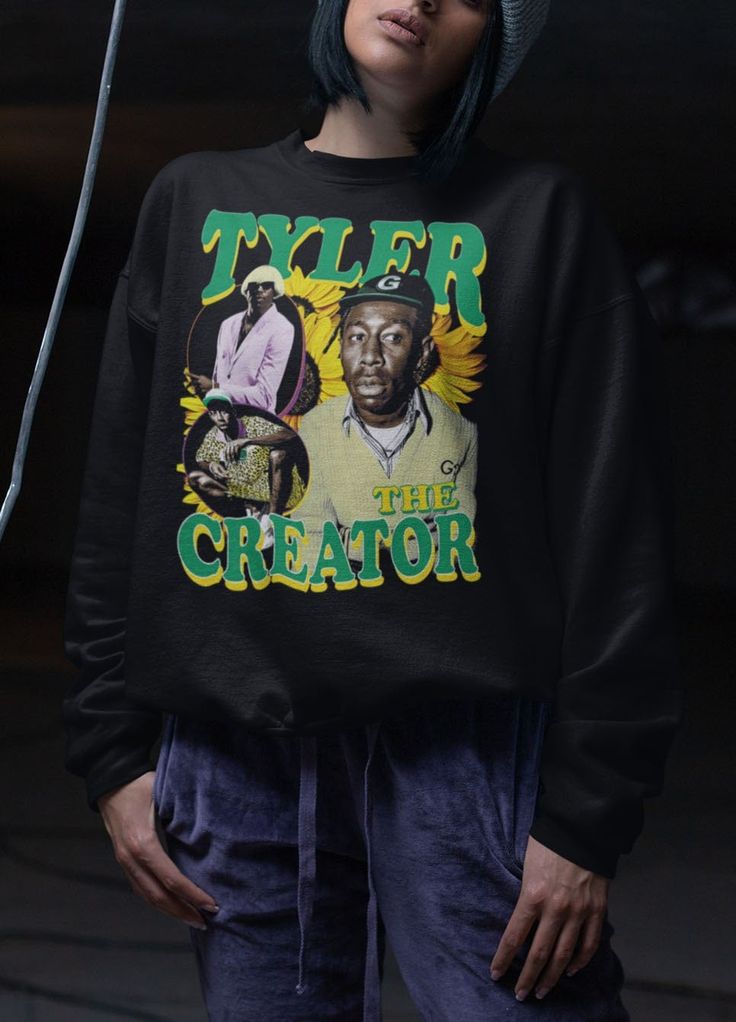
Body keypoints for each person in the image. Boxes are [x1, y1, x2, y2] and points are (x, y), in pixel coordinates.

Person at [61, 0, 684, 1019]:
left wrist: (586, 815)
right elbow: (118, 498)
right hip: (235, 751)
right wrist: (111, 753)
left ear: (495, 37)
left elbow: (619, 538)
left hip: (470, 755)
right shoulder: (195, 198)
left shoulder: (540, 217)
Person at [291, 271, 479, 573]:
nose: (370, 356)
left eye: (393, 337)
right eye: (357, 337)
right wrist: (412, 540)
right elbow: (310, 542)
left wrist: (350, 541)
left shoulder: (462, 434)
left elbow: (457, 541)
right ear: (340, 347)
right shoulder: (314, 428)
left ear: (423, 354)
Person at [187, 388, 307, 541]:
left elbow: (289, 434)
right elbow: (201, 458)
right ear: (210, 415)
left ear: (232, 411)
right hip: (246, 492)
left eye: (223, 412)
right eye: (214, 413)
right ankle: (248, 513)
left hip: (275, 490)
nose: (220, 418)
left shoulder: (252, 423)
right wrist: (211, 465)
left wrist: (248, 441)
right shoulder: (214, 435)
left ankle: (273, 521)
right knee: (194, 477)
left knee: (278, 455)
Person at [188, 264, 295, 412]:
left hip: (256, 421)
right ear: (246, 290)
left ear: (274, 292)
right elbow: (219, 376)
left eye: (266, 286)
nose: (259, 290)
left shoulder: (282, 328)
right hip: (221, 418)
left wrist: (215, 387)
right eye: (254, 285)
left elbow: (264, 397)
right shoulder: (228, 324)